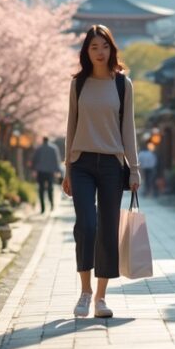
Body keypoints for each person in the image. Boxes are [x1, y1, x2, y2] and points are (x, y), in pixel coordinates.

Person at [62, 24, 140, 318]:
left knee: (107, 229)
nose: (99, 52)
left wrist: (134, 169)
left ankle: (101, 298)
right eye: (93, 47)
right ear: (86, 51)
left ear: (111, 49)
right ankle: (84, 292)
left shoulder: (123, 85)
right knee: (87, 225)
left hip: (111, 164)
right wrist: (67, 169)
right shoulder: (77, 84)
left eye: (104, 46)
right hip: (81, 163)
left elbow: (128, 129)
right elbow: (70, 127)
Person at [30, 136, 62, 214]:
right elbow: (56, 160)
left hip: (40, 171)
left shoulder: (39, 148)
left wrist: (33, 170)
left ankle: (43, 208)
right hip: (50, 172)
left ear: (43, 140)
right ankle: (51, 205)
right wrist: (58, 171)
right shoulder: (54, 148)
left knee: (41, 190)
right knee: (50, 189)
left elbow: (34, 160)